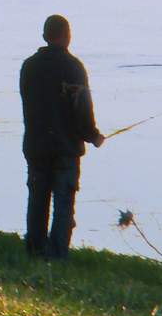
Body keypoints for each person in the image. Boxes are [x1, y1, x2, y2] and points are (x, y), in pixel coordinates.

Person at [19, 14, 104, 260]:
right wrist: (93, 136)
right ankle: (56, 256)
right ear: (67, 36)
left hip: (35, 146)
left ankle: (35, 251)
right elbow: (82, 110)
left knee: (37, 200)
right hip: (65, 147)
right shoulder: (73, 67)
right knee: (64, 203)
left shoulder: (29, 66)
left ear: (45, 36)